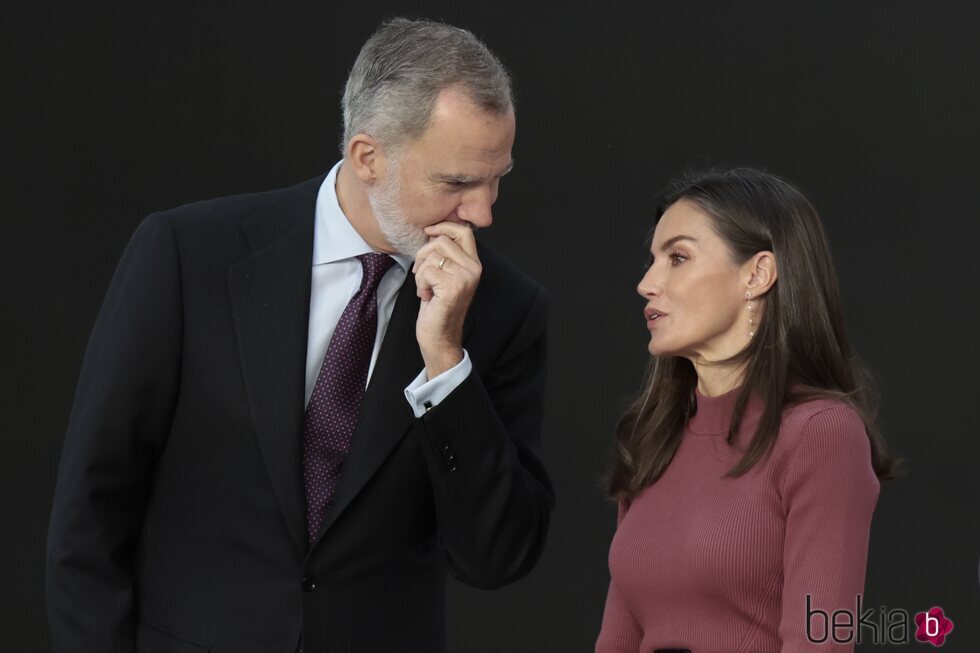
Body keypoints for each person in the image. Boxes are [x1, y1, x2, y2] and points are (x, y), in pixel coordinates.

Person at [46, 18, 553, 653]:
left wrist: (446, 363)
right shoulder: (188, 254)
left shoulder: (505, 308)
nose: (483, 213)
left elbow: (495, 557)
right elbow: (92, 504)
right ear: (368, 157)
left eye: (496, 177)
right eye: (456, 183)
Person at [595, 169, 899, 652]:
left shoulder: (821, 433)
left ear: (757, 275)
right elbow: (617, 640)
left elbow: (819, 642)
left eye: (677, 257)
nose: (646, 284)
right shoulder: (651, 437)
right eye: (651, 261)